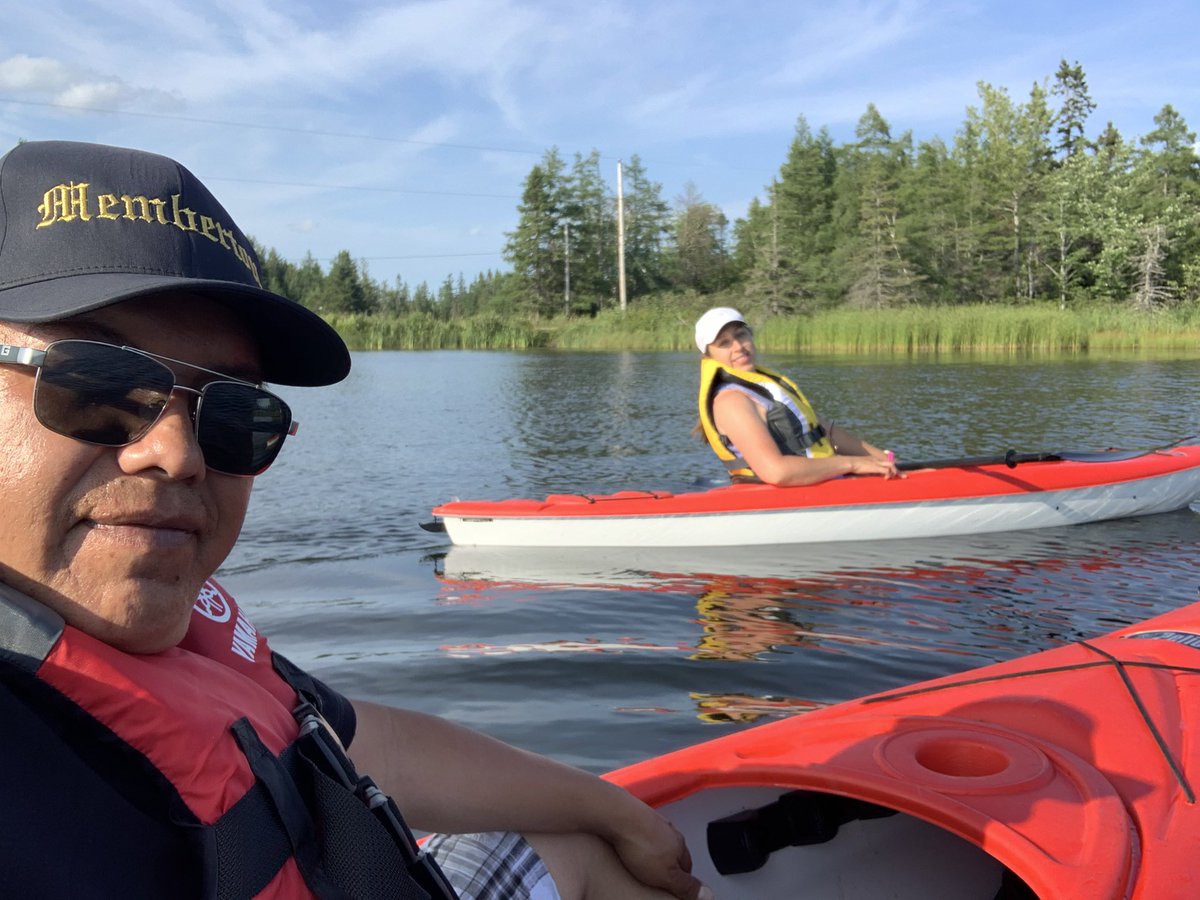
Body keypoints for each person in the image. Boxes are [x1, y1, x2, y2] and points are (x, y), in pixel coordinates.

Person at [0, 139, 709, 900]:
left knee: (580, 845)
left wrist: (615, 808)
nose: (177, 455)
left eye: (236, 413)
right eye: (95, 382)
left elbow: (346, 738)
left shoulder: (197, 642)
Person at [695, 307, 899, 486]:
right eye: (724, 343)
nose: (738, 346)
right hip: (774, 494)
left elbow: (824, 430)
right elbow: (777, 472)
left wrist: (881, 458)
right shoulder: (732, 402)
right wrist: (853, 463)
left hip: (819, 480)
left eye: (741, 335)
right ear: (709, 356)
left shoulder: (765, 386)